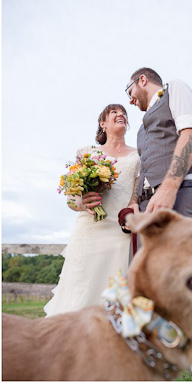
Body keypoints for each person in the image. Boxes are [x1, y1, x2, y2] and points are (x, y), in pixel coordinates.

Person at [124, 67, 192, 381]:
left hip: (182, 197)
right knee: (148, 300)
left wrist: (170, 187)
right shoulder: (141, 131)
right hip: (151, 210)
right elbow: (145, 169)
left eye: (129, 92)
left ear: (141, 81)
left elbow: (190, 133)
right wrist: (135, 202)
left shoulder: (176, 89)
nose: (131, 102)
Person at [44, 104, 140, 316]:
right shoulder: (86, 153)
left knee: (114, 295)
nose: (121, 114)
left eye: (124, 113)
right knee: (80, 291)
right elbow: (71, 200)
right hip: (89, 231)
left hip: (120, 234)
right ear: (102, 123)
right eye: (114, 112)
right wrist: (82, 202)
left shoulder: (137, 156)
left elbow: (136, 196)